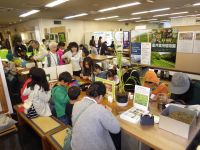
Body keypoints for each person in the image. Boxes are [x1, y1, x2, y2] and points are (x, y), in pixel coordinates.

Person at [71, 81, 120, 150]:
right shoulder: (99, 109)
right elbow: (116, 129)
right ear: (100, 96)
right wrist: (109, 112)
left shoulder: (76, 104)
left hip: (76, 146)